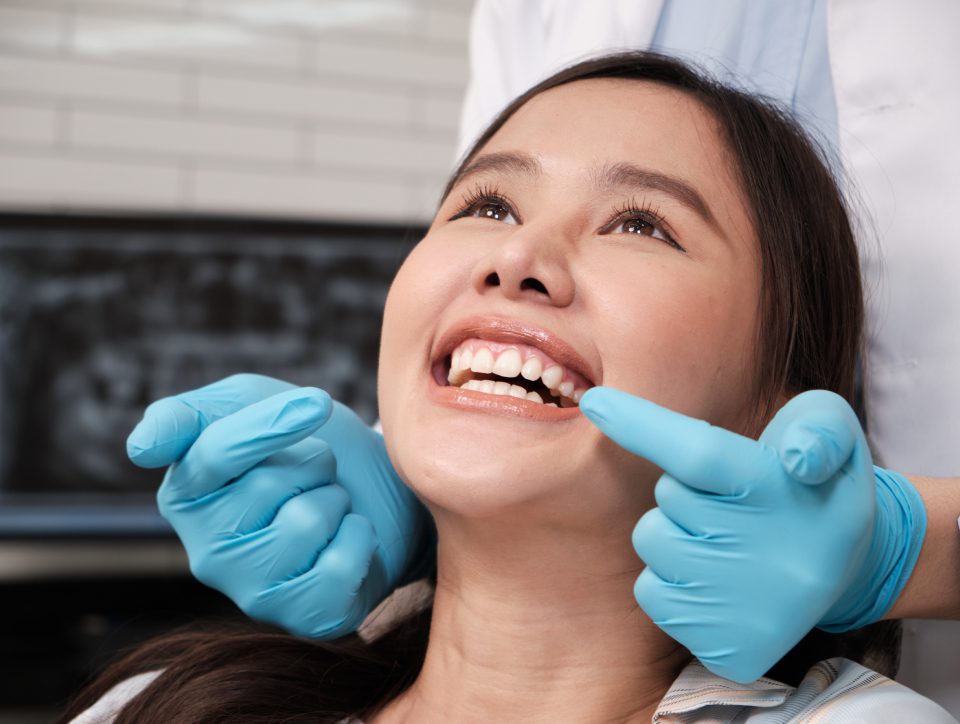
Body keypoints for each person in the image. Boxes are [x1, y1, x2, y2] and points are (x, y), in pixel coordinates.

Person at [63, 52, 955, 723]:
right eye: (487, 205)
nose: (515, 258)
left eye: (641, 223)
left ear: (779, 405)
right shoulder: (168, 707)